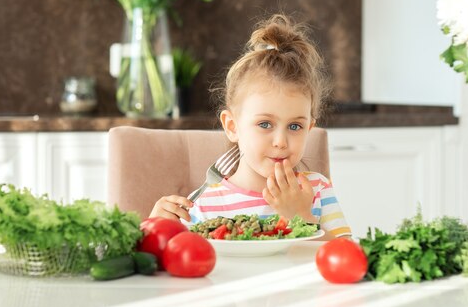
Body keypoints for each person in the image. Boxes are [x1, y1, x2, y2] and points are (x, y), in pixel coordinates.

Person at [150, 14, 352, 239]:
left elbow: (348, 260)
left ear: (309, 128)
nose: (281, 141)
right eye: (265, 124)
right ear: (232, 126)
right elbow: (173, 263)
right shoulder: (203, 206)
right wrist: (154, 230)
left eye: (295, 126)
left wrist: (302, 218)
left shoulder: (317, 191)